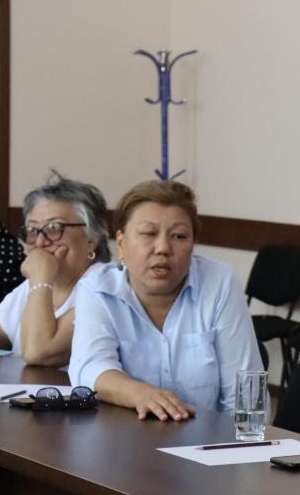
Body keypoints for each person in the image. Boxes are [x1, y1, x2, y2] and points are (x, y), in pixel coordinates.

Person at [69, 180, 261, 420]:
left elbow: (247, 395)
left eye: (179, 236)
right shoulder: (97, 288)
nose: (163, 248)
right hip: (125, 435)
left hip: (207, 438)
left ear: (193, 244)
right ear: (121, 243)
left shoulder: (219, 282)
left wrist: (242, 440)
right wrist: (140, 393)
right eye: (148, 234)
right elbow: (89, 368)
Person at [0, 172, 110, 366]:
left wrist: (40, 279)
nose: (40, 242)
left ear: (92, 238)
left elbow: (39, 352)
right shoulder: (33, 286)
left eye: (54, 228)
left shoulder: (105, 288)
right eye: (32, 231)